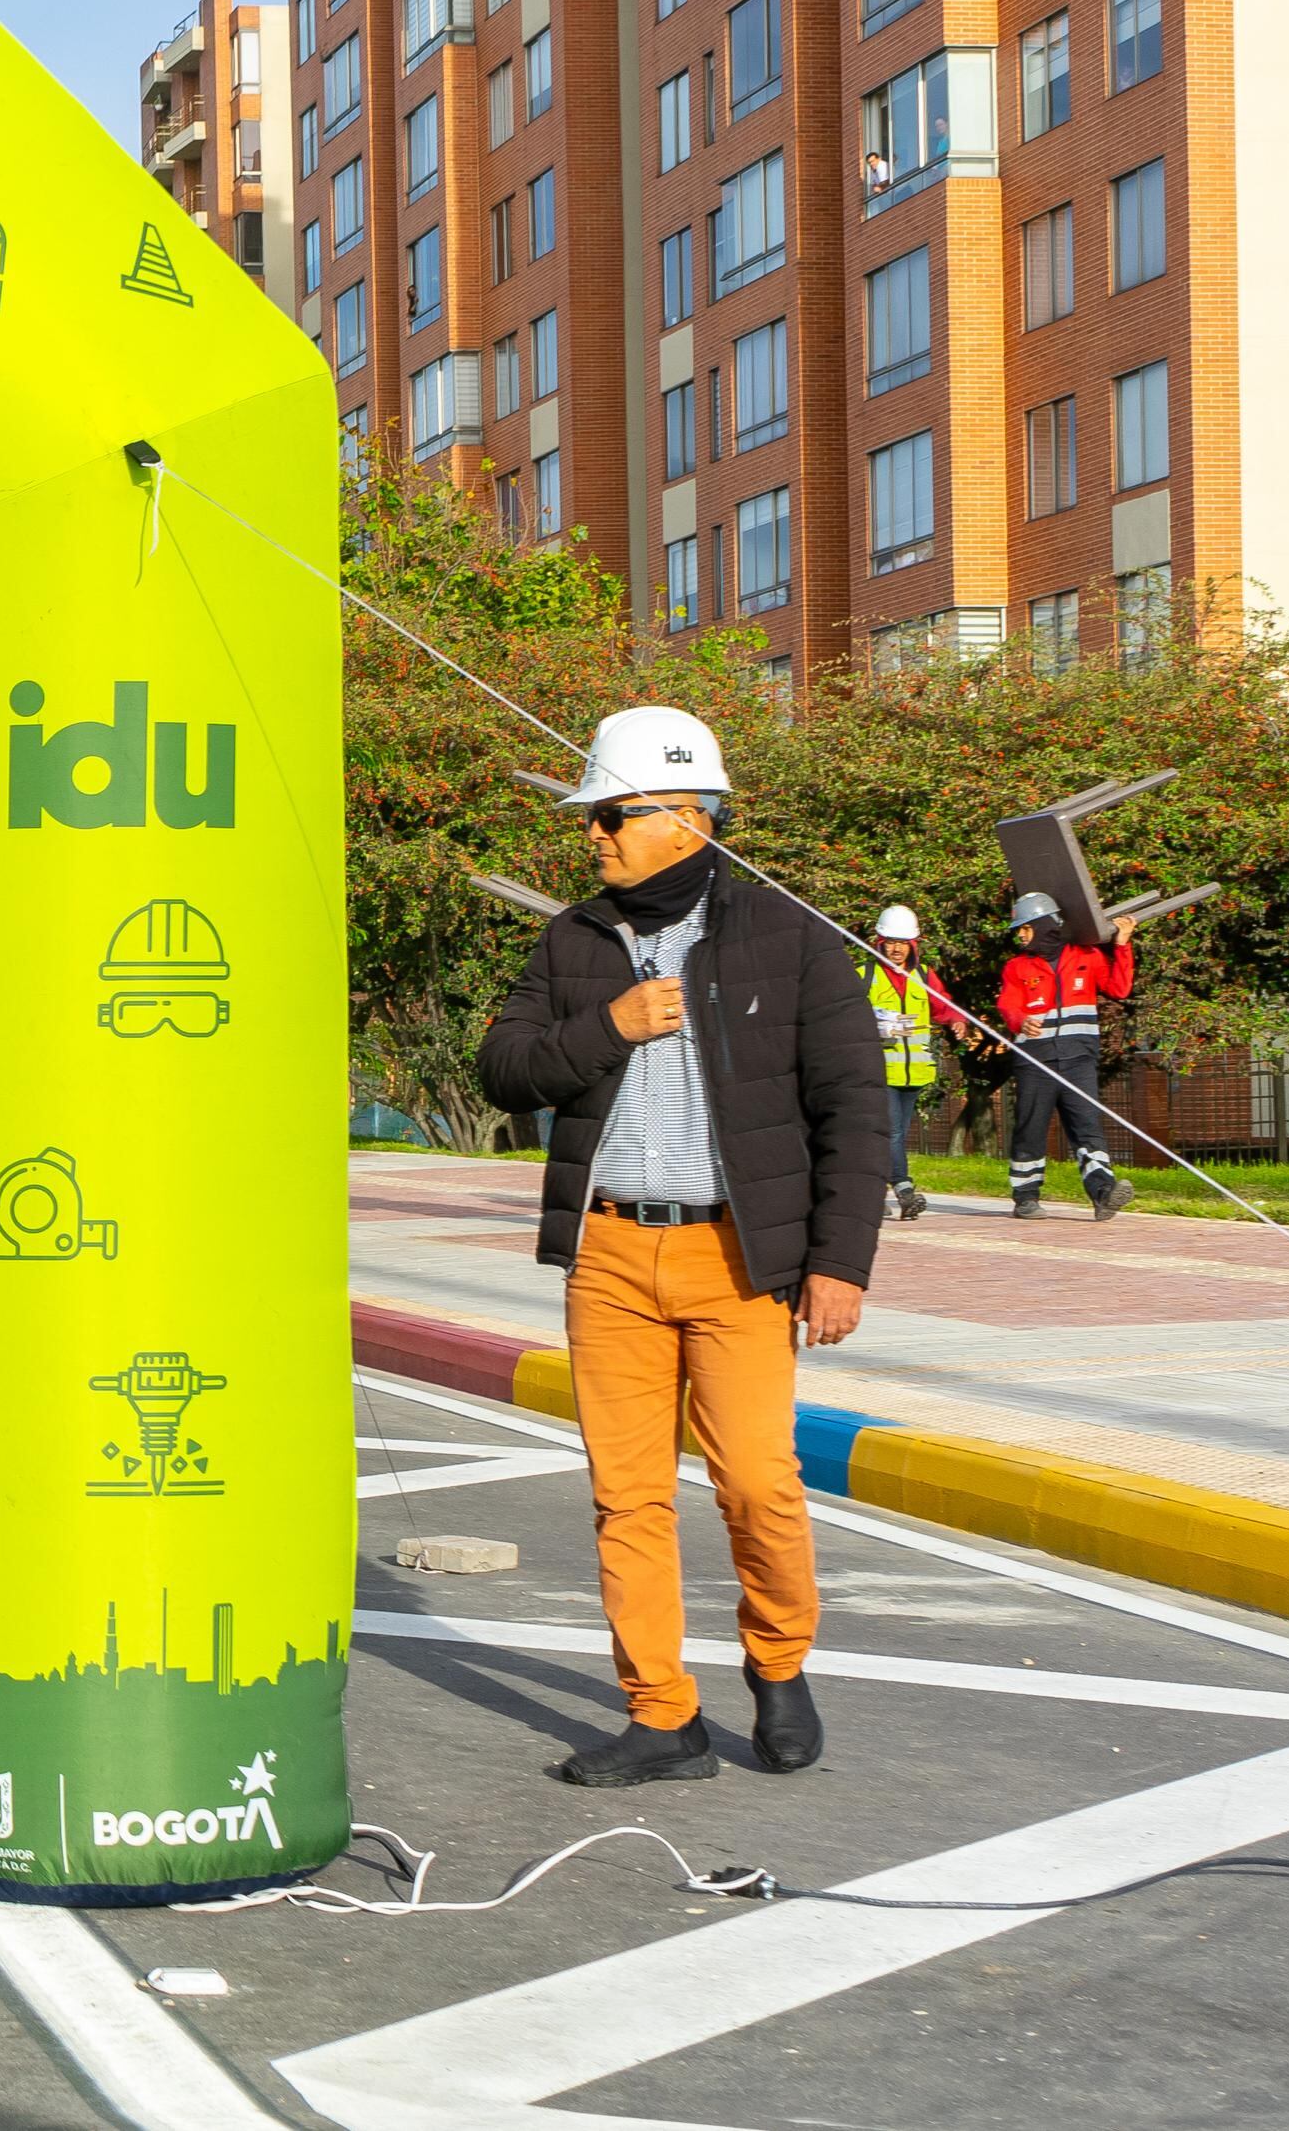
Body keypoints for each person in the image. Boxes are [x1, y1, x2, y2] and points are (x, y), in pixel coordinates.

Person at [477, 706, 883, 1788]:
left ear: (685, 818)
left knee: (756, 1482)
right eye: (590, 818)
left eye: (609, 814)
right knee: (627, 1494)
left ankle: (778, 1662)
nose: (593, 836)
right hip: (608, 1255)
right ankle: (662, 1716)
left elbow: (852, 1105)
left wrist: (839, 1261)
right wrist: (606, 1025)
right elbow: (503, 1069)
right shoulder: (571, 940)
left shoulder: (785, 936)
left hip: (736, 1259)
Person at [998, 888, 1135, 1220]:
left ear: (1045, 924)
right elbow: (1007, 1003)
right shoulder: (1017, 966)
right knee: (1031, 1126)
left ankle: (1103, 1193)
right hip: (1035, 1061)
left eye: (1025, 928)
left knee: (1087, 1127)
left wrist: (1122, 945)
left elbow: (1119, 988)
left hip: (1079, 1059)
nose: (1020, 935)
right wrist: (1020, 1020)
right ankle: (1025, 1196)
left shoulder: (1086, 956)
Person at [863, 902, 967, 1222]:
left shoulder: (924, 976)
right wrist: (876, 1024)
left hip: (914, 1072)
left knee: (894, 1133)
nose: (896, 949)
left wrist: (955, 1020)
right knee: (891, 1132)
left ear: (913, 945)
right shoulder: (864, 975)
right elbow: (846, 1017)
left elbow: (942, 1005)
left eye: (902, 943)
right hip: (879, 1071)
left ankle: (871, 1191)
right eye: (890, 942)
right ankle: (905, 1190)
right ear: (879, 942)